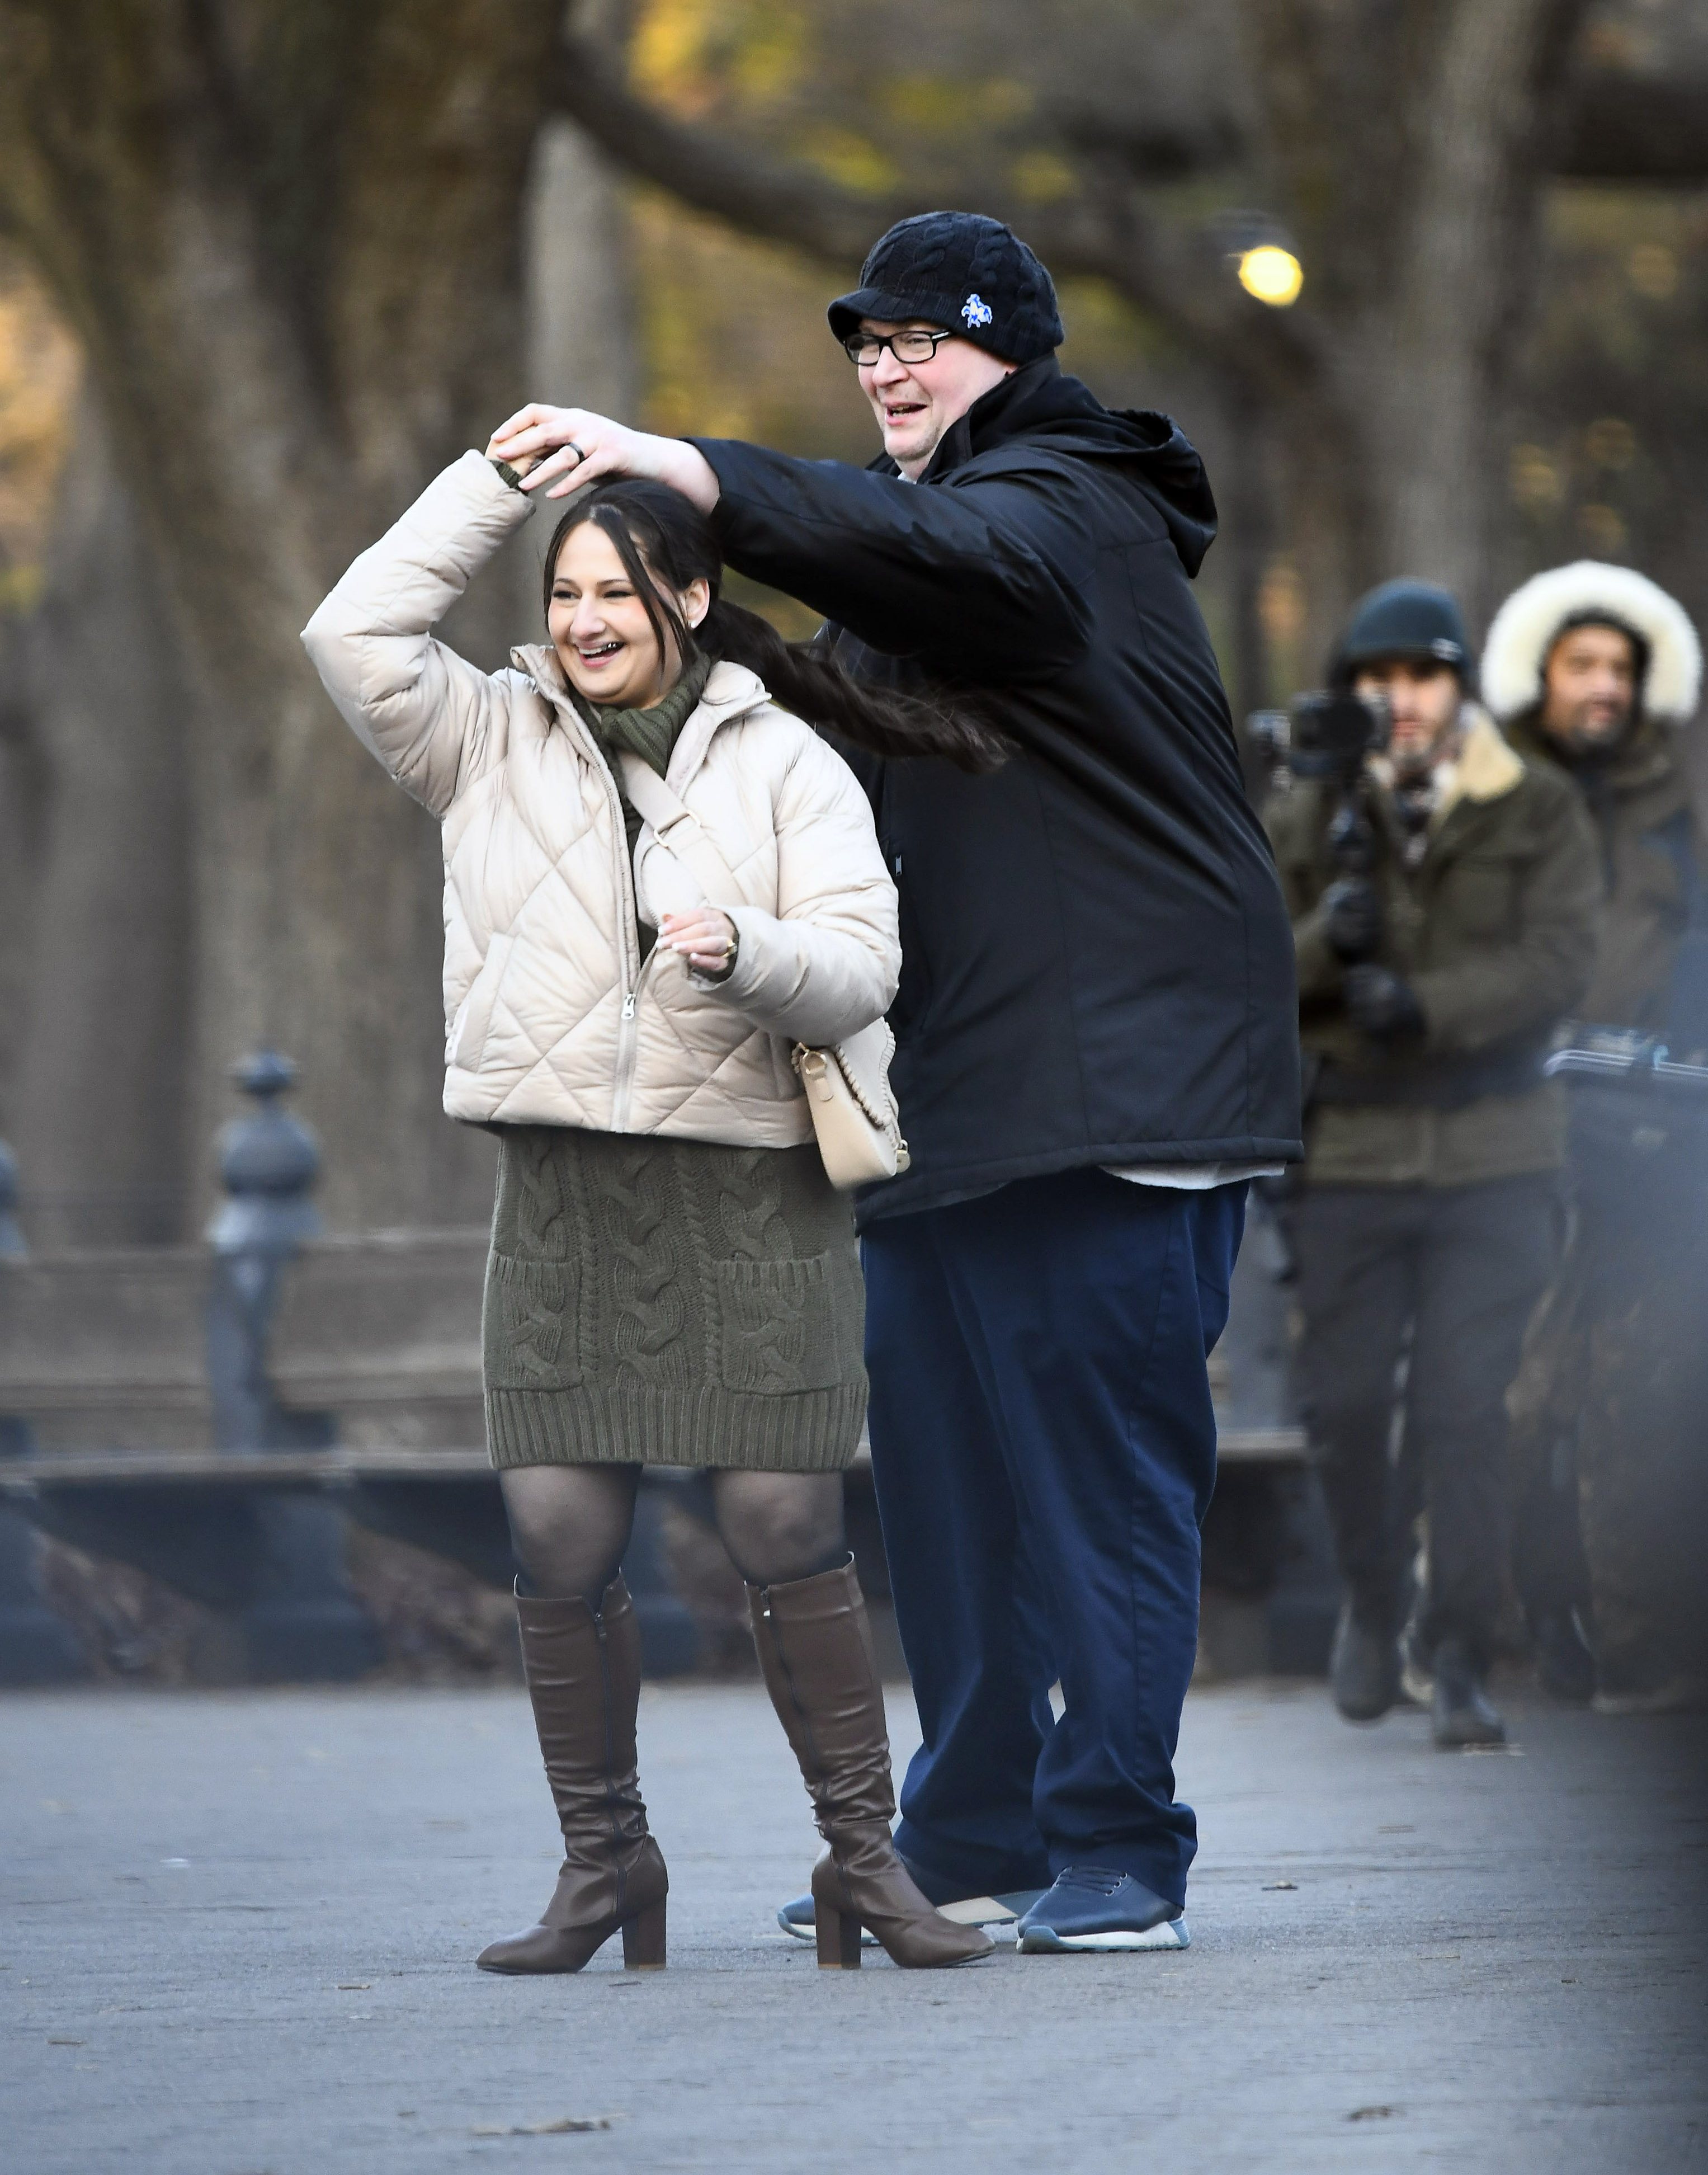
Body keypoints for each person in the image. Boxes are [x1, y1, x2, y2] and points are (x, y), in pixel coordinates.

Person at [487, 210, 1302, 1955]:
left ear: (1013, 351)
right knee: (949, 1499)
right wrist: (685, 633)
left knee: (1098, 1490)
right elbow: (855, 704)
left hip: (1120, 1092)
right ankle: (975, 1825)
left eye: (922, 338)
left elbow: (945, 567)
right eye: (864, 344)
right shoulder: (941, 563)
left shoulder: (1067, 511)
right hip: (952, 1095)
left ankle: (1120, 1847)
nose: (885, 365)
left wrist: (690, 467)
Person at [301, 446, 997, 1972]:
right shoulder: (481, 738)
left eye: (616, 589)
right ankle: (605, 1864)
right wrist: (491, 483)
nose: (584, 619)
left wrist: (742, 945)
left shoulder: (784, 761)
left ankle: (861, 1868)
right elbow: (350, 632)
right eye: (562, 592)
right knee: (553, 1531)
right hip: (564, 1194)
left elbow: (862, 971)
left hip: (753, 1190)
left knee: (778, 1515)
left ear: (689, 596)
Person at [1265, 579, 1601, 1748]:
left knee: (1469, 1410)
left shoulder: (1535, 803)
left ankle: (1459, 1649)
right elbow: (1241, 953)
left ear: (1459, 685)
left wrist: (1431, 1006)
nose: (1399, 699)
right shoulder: (1307, 806)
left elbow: (1564, 958)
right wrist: (1325, 943)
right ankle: (1374, 1597)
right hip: (1348, 1151)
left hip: (1495, 1151)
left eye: (1421, 675)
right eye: (1375, 677)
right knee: (1348, 1404)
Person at [1487, 563, 1707, 1713]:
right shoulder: (1495, 792)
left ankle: (1638, 1648)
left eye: (1620, 667)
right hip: (1516, 1128)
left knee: (1638, 1390)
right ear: (1545, 675)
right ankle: (1503, 1632)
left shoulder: (1683, 810)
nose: (1604, 686)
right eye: (1583, 664)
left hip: (1657, 1135)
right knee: (1517, 1399)